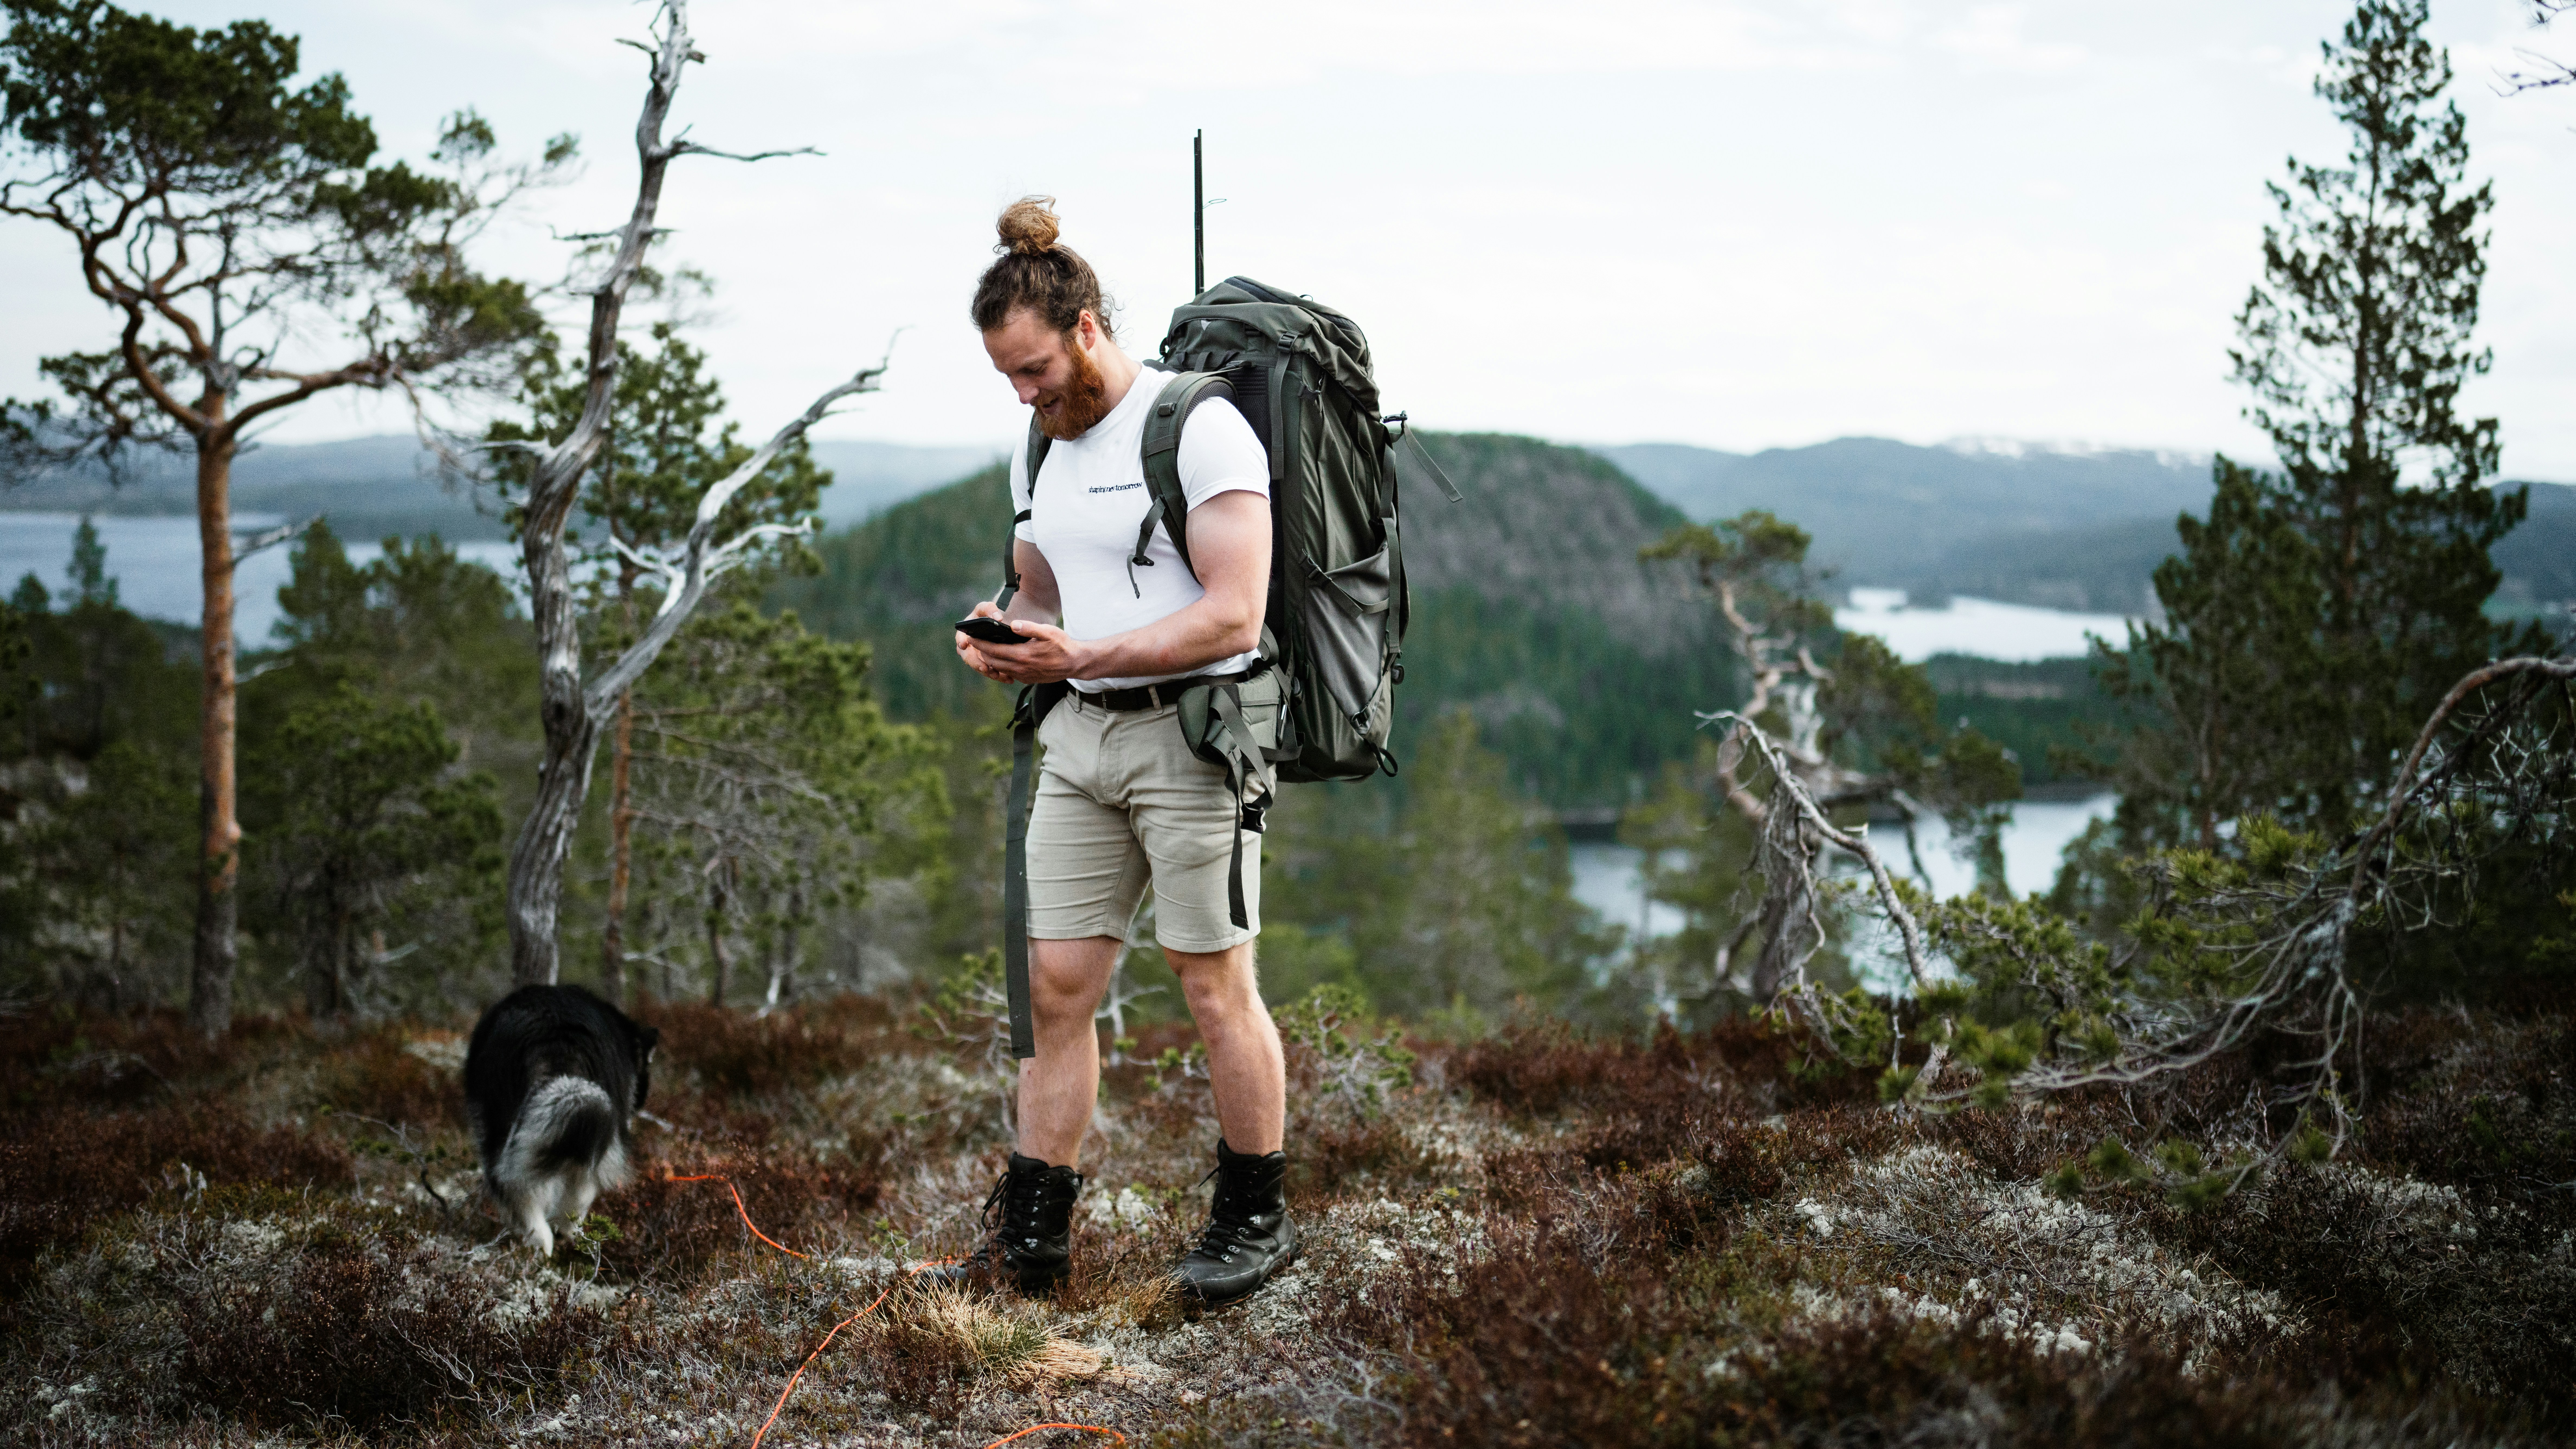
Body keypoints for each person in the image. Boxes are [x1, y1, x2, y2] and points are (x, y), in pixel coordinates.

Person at [941, 197, 1295, 1306]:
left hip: (1195, 734)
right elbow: (1037, 582)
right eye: (1006, 375)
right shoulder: (1036, 444)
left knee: (1211, 984)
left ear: (1085, 327)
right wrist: (1000, 628)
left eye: (1035, 367)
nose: (1024, 392)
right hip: (1081, 736)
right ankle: (1033, 1235)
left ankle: (1255, 1220)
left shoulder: (1201, 428)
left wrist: (1082, 648)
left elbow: (1236, 616)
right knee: (1057, 985)